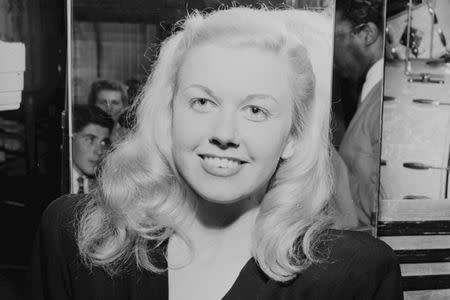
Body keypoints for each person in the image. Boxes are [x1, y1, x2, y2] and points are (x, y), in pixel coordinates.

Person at [30, 7, 403, 299]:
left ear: (293, 136)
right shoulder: (76, 238)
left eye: (256, 110)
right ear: (169, 114)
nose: (225, 134)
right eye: (202, 101)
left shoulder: (353, 276)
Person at [333, 0, 385, 227]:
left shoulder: (383, 99)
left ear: (366, 34)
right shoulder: (372, 90)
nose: (332, 54)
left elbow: (381, 205)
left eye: (336, 38)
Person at [71, 105, 113, 194]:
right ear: (71, 138)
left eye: (104, 142)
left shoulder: (103, 188)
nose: (99, 151)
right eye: (90, 139)